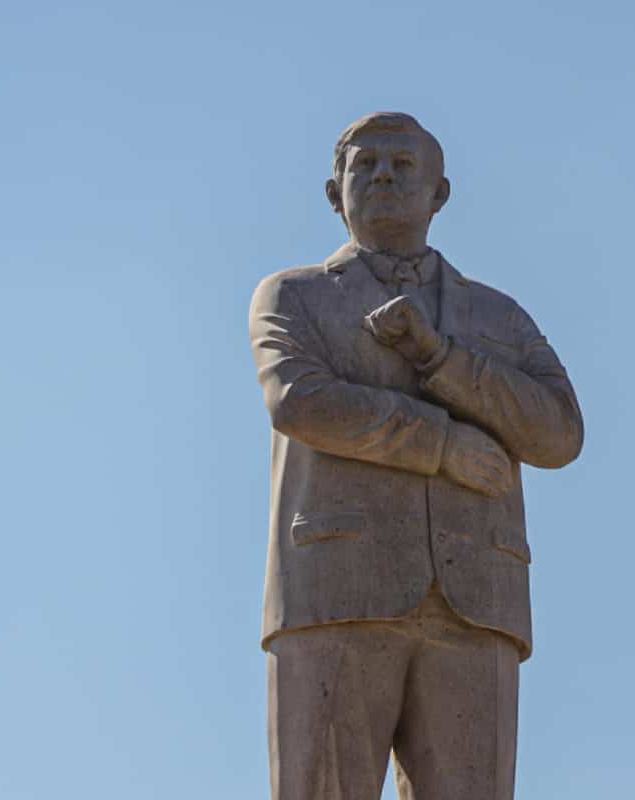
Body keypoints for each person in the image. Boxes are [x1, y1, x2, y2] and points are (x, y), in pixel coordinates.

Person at [248, 111, 583, 800]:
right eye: (364, 165)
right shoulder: (294, 296)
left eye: (404, 166)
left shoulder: (499, 318)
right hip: (336, 589)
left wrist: (442, 358)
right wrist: (443, 446)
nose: (383, 176)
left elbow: (558, 434)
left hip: (478, 599)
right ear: (333, 193)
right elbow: (301, 402)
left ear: (441, 192)